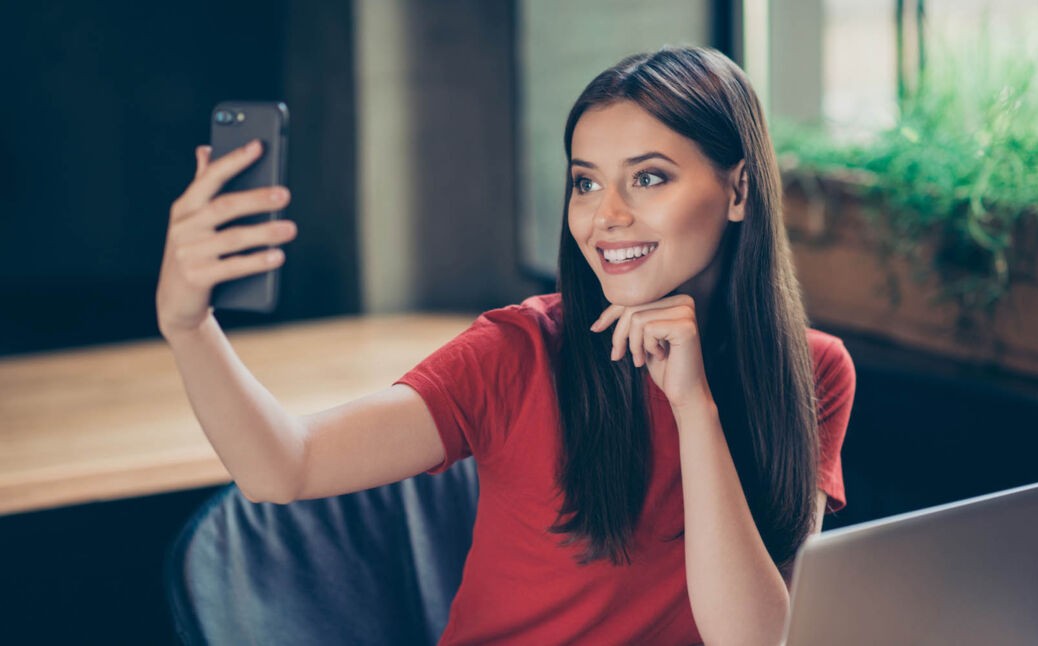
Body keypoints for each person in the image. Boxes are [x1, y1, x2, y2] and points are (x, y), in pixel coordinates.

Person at [156, 45, 855, 645]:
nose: (606, 216)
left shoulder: (811, 371)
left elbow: (756, 637)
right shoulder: (517, 352)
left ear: (738, 190)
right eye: (586, 182)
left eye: (648, 178)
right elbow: (285, 467)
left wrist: (693, 407)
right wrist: (187, 326)